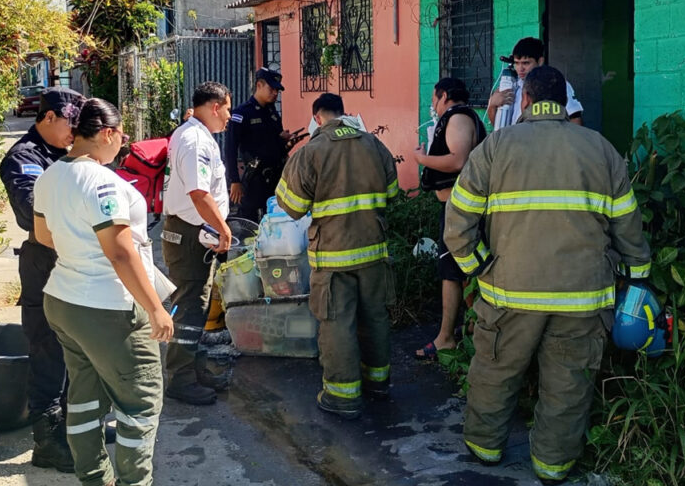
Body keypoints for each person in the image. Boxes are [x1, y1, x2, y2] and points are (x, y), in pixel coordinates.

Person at [444, 66, 651, 484]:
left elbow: (457, 221)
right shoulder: (600, 148)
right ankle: (553, 465)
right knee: (569, 384)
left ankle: (485, 448)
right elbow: (629, 226)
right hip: (582, 296)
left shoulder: (496, 147)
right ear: (565, 103)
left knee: (495, 371)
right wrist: (637, 279)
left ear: (525, 99)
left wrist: (479, 267)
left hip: (509, 292)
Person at [33, 98, 174, 486]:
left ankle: (94, 477)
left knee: (84, 395)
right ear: (108, 133)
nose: (123, 144)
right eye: (122, 135)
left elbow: (44, 236)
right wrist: (155, 309)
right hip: (109, 308)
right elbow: (120, 251)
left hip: (63, 299)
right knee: (140, 403)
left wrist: (78, 246)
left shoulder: (50, 175)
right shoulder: (102, 181)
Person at [276, 93, 400, 420]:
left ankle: (342, 396)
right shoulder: (373, 144)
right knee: (374, 316)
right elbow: (391, 193)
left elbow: (291, 206)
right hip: (374, 252)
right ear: (343, 114)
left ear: (317, 117)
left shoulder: (312, 152)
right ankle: (378, 384)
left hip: (333, 258)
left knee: (337, 323)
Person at [0, 86, 85, 472]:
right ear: (48, 118)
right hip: (44, 265)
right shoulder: (24, 157)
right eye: (70, 124)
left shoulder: (65, 154)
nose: (74, 133)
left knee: (77, 349)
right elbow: (35, 212)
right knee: (48, 351)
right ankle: (47, 440)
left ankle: (74, 428)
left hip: (74, 262)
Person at [161, 81, 234, 406]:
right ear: (215, 107)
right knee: (190, 307)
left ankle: (194, 369)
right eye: (228, 109)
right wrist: (224, 229)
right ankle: (181, 379)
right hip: (190, 235)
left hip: (192, 233)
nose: (230, 117)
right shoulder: (195, 141)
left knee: (197, 305)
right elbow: (199, 193)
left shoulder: (194, 135)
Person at [411, 78, 486, 360]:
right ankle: (467, 331)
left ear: (444, 96)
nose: (432, 105)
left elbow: (458, 161)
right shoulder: (460, 118)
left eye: (434, 98)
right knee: (457, 271)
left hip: (459, 210)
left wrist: (422, 160)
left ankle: (446, 338)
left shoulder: (457, 118)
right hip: (454, 208)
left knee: (453, 272)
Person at [225, 67, 298, 222]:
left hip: (277, 178)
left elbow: (275, 143)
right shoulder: (242, 113)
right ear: (259, 85)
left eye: (277, 91)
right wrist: (234, 181)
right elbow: (230, 149)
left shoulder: (272, 112)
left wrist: (286, 141)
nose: (275, 93)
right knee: (250, 224)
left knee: (276, 221)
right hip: (254, 179)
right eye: (271, 89)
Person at [487, 37, 584, 128]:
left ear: (540, 61)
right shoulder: (512, 86)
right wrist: (492, 106)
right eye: (516, 63)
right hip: (514, 143)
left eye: (526, 63)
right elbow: (499, 128)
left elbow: (575, 119)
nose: (520, 69)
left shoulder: (555, 83)